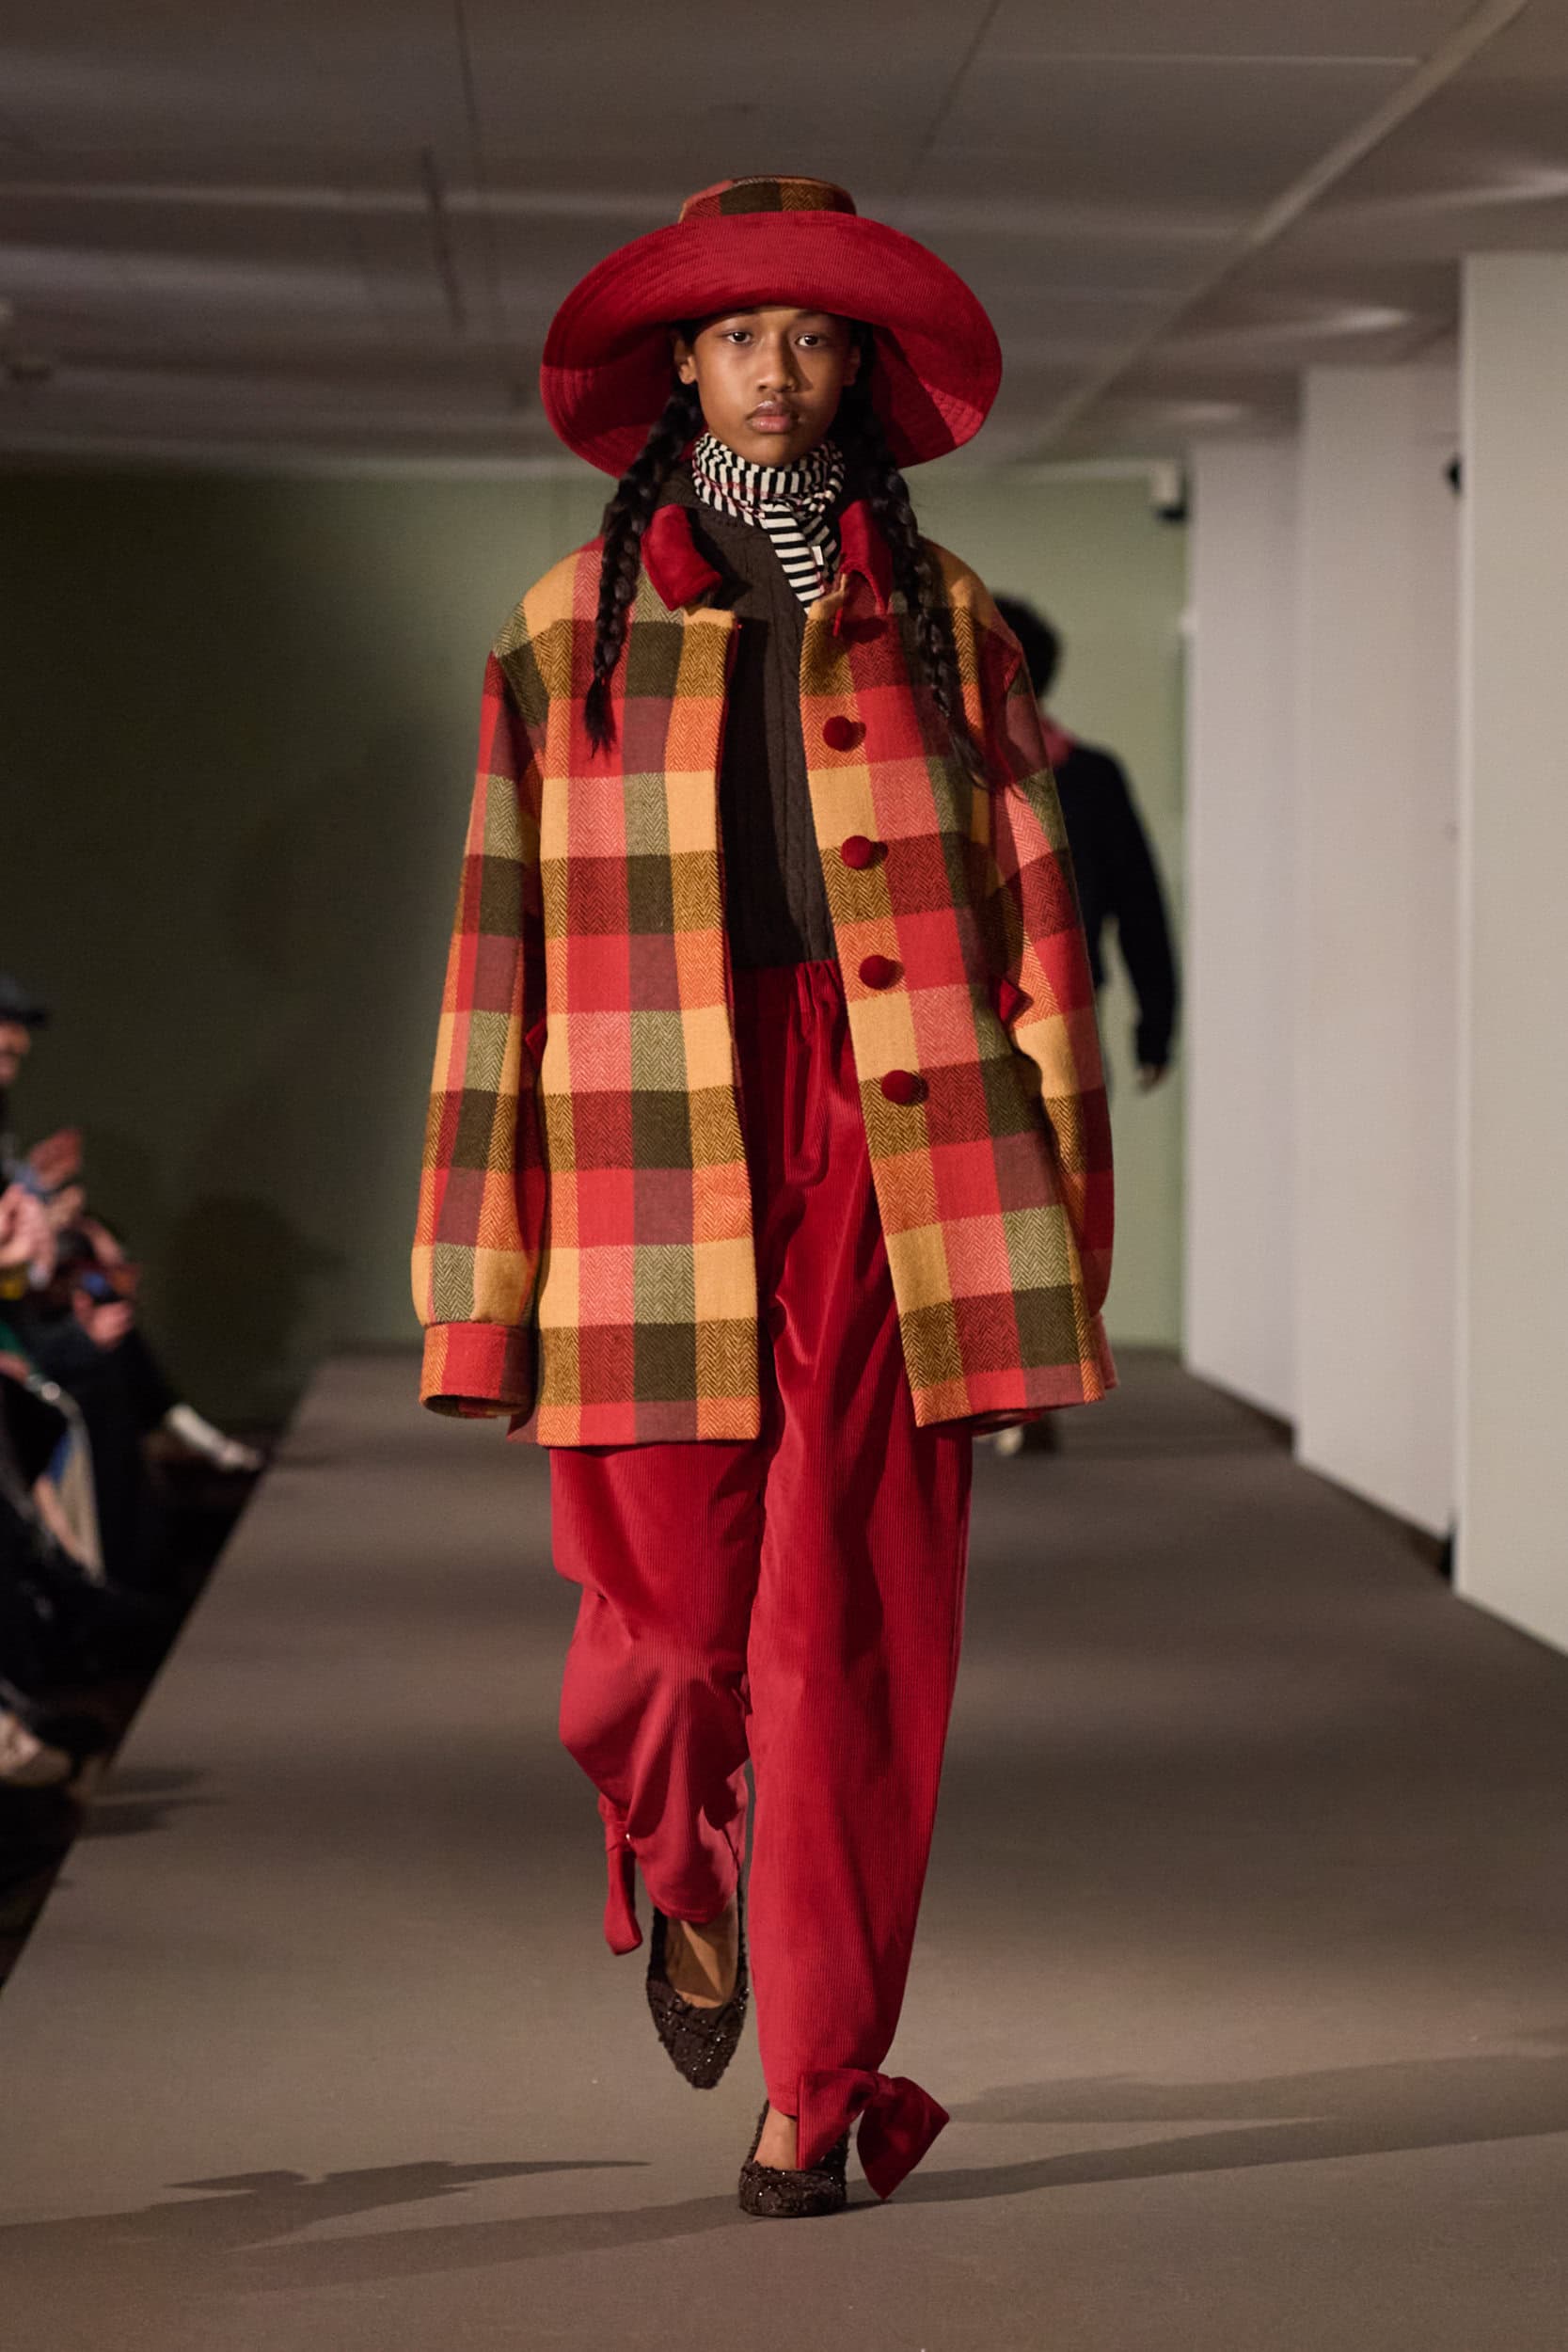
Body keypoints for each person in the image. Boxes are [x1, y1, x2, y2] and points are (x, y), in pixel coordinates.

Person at [411, 176, 1117, 2217]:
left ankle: (817, 2081)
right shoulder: (566, 627)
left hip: (902, 1152)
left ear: (858, 368)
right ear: (681, 366)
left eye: (812, 335)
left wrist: (1051, 1251)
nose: (777, 369)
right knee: (657, 1635)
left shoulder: (945, 618)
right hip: (648, 1143)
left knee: (849, 1641)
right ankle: (679, 1854)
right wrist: (476, 1278)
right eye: (738, 335)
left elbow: (1036, 937)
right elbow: (491, 962)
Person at [990, 601, 1180, 1093]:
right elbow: (1141, 908)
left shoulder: (1090, 777)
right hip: (1050, 1021)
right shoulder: (1089, 775)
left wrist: (1156, 1030)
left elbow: (1139, 907)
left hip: (1059, 1023)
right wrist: (1155, 1032)